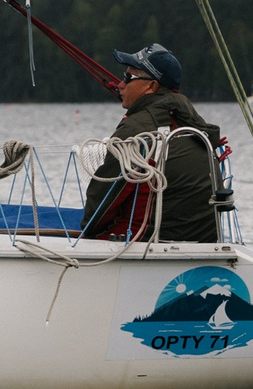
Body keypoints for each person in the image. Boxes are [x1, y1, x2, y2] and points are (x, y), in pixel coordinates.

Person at [78, 43, 225, 243]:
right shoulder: (197, 128)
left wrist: (87, 229)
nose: (120, 84)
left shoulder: (135, 132)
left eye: (129, 78)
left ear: (151, 86)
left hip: (150, 244)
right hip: (205, 243)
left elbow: (98, 212)